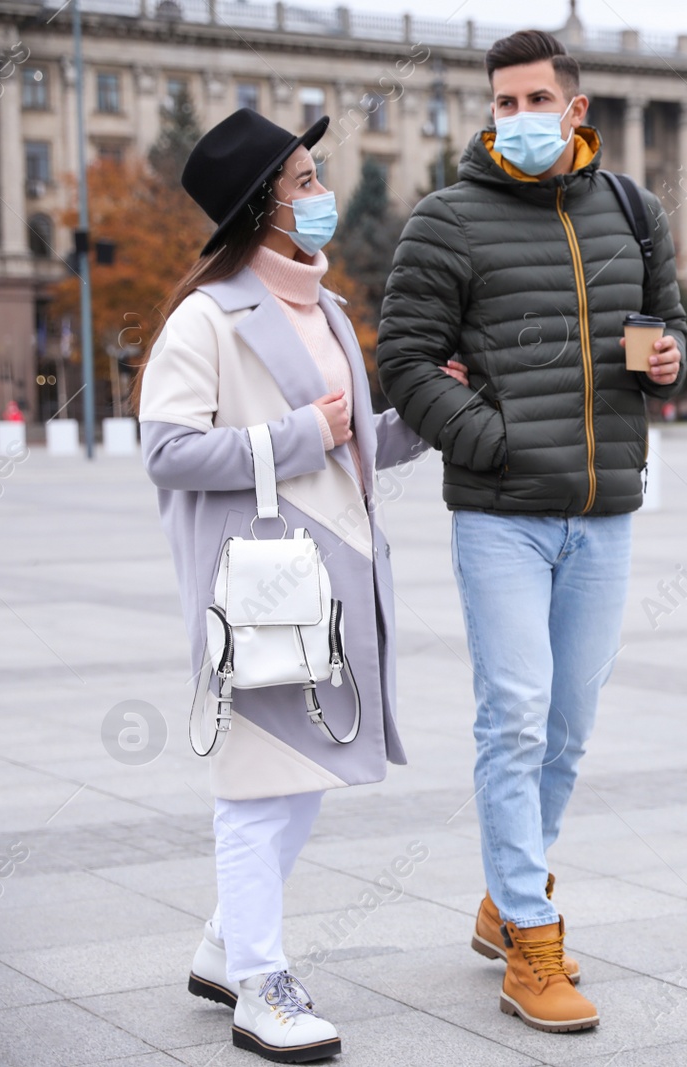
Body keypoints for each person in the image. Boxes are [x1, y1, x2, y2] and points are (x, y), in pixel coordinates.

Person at [377, 29, 686, 1034]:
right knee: (513, 715)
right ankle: (530, 936)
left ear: (576, 107)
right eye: (504, 102)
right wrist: (487, 439)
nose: (519, 117)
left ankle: (508, 892)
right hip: (501, 515)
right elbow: (409, 363)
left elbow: (668, 327)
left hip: (603, 511)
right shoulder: (446, 220)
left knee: (568, 728)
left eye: (536, 99)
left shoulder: (633, 210)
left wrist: (670, 362)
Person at [138, 108, 430, 1062]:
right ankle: (260, 984)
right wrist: (299, 434)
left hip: (333, 584)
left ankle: (227, 941)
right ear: (263, 206)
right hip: (260, 588)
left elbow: (351, 440)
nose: (319, 195)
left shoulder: (328, 309)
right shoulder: (205, 318)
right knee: (259, 790)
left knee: (300, 782)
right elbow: (170, 451)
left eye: (314, 177)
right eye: (303, 181)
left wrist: (423, 416)